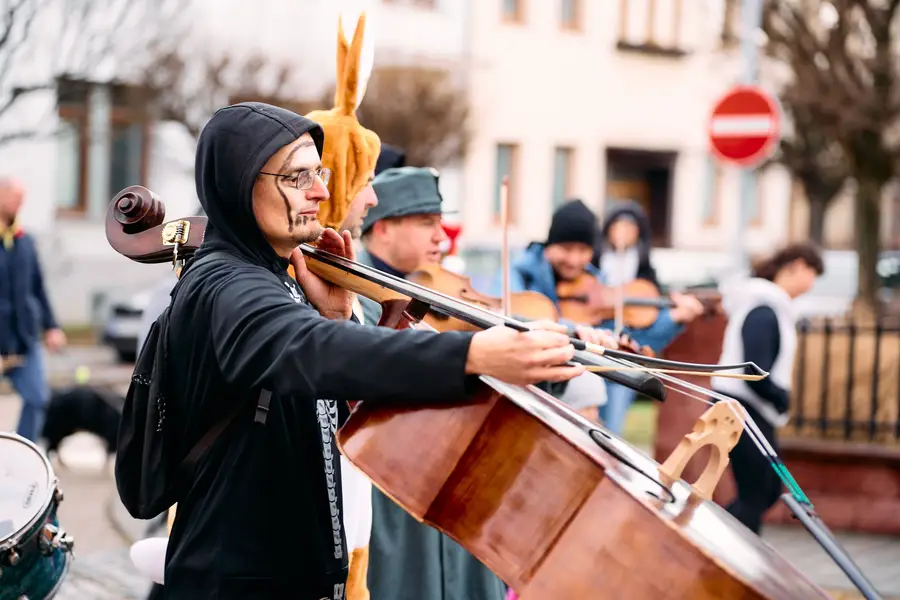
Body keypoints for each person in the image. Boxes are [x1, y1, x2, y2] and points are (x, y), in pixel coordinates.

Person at [156, 99, 587, 600]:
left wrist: (338, 316)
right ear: (242, 181)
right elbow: (307, 349)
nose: (321, 190)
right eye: (298, 178)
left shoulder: (280, 276)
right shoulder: (227, 284)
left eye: (320, 172)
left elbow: (312, 403)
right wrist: (471, 355)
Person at [356, 165, 508, 600]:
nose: (441, 237)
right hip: (396, 497)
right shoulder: (355, 300)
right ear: (382, 229)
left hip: (457, 493)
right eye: (426, 224)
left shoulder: (444, 294)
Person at [496, 199, 702, 428]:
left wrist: (672, 320)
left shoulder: (596, 283)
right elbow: (509, 315)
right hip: (523, 390)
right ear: (549, 245)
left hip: (572, 389)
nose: (574, 260)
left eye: (583, 250)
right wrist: (574, 330)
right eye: (566, 248)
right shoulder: (518, 273)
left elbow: (628, 339)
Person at [712, 242, 824, 535]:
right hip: (739, 407)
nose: (812, 283)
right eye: (813, 273)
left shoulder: (770, 306)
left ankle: (720, 540)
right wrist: (780, 397)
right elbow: (753, 369)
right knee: (757, 490)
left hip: (751, 408)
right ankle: (731, 554)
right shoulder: (764, 307)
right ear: (797, 266)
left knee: (768, 487)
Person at [592, 200, 704, 434]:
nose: (622, 232)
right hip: (591, 349)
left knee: (611, 426)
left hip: (625, 355)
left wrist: (677, 316)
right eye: (617, 225)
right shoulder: (591, 267)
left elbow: (650, 329)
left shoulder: (645, 276)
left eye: (630, 227)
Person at [0, 177, 66, 442]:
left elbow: (38, 289)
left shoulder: (25, 241)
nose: (20, 203)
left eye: (22, 198)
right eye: (15, 196)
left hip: (24, 339)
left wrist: (51, 326)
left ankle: (22, 455)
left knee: (38, 398)